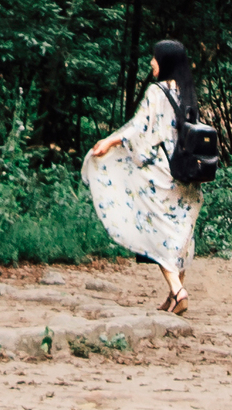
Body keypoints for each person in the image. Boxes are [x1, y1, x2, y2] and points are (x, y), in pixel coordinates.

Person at [82, 39, 204, 314]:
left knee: (156, 232)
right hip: (186, 173)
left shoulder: (156, 91)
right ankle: (173, 297)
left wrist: (110, 142)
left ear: (166, 61)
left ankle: (178, 290)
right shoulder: (186, 91)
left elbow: (140, 129)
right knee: (178, 234)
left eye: (155, 58)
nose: (151, 62)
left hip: (162, 172)